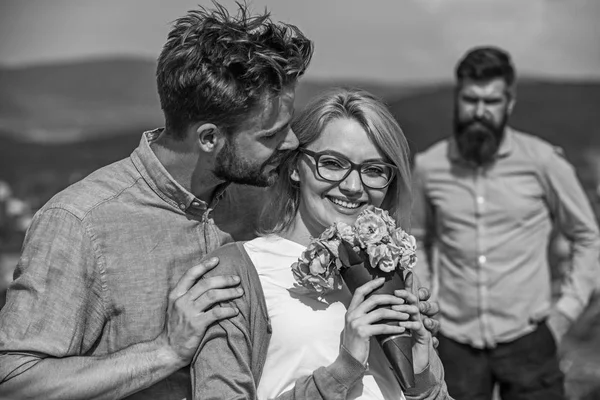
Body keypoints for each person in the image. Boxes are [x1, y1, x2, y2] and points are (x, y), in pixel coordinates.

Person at [0, 4, 439, 400]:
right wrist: (165, 351)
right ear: (210, 138)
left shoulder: (255, 194)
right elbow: (14, 381)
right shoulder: (83, 222)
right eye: (270, 135)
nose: (290, 143)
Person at [192, 88, 451, 399]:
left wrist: (422, 379)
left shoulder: (392, 270)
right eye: (332, 163)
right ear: (294, 167)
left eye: (373, 170)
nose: (354, 186)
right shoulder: (237, 272)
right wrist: (344, 368)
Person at [411, 46, 600, 400]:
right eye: (470, 99)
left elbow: (587, 236)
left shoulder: (543, 162)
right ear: (458, 97)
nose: (479, 112)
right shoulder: (429, 166)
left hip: (530, 338)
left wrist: (564, 314)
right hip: (454, 341)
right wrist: (428, 299)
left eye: (491, 101)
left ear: (509, 104)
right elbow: (417, 239)